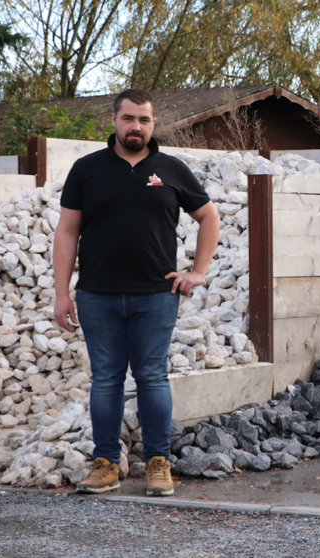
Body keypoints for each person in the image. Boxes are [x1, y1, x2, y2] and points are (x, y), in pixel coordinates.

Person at [53, 88, 220, 497]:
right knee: (106, 380)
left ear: (153, 124)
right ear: (114, 121)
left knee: (152, 378)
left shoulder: (172, 168)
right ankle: (106, 463)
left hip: (155, 295)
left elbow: (209, 216)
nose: (136, 126)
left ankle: (157, 463)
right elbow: (67, 230)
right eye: (128, 119)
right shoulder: (87, 169)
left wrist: (198, 272)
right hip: (97, 295)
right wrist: (62, 293)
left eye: (144, 120)